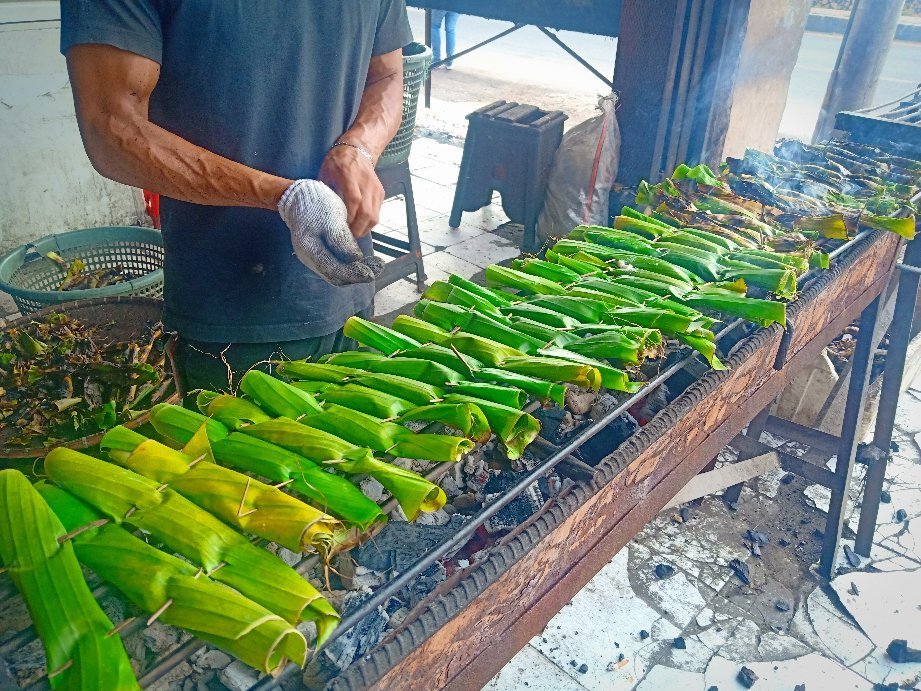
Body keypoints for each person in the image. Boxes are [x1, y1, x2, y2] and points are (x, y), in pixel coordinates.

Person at [59, 1, 412, 395]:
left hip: (349, 283)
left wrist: (357, 149)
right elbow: (110, 126)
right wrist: (286, 197)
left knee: (355, 448)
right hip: (232, 317)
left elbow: (387, 75)